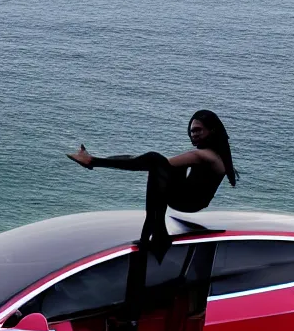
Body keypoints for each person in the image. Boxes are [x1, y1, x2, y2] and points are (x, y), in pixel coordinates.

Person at [66, 109, 238, 260]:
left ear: (212, 130)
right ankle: (155, 228)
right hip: (193, 200)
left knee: (154, 159)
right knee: (153, 161)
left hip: (186, 201)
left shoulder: (202, 156)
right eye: (191, 131)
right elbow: (150, 162)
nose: (193, 134)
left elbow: (151, 162)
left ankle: (152, 229)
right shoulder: (218, 155)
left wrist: (105, 161)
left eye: (198, 130)